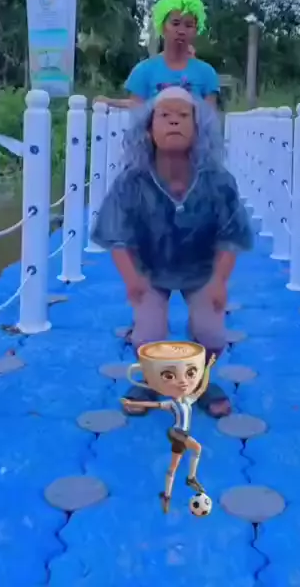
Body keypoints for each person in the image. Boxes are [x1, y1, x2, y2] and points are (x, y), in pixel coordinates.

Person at [91, 86, 253, 418]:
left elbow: (231, 236)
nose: (174, 122)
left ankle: (201, 380)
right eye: (165, 116)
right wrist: (132, 280)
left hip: (201, 269)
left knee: (212, 335)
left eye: (183, 116)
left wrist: (219, 281)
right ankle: (152, 380)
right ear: (148, 129)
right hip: (150, 269)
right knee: (147, 335)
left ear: (199, 128)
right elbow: (116, 236)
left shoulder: (219, 182)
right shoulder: (131, 182)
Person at [121, 349, 216, 513]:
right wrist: (132, 403)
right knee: (197, 448)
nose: (183, 384)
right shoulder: (171, 404)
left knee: (173, 467)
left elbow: (202, 387)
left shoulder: (189, 400)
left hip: (182, 435)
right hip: (176, 433)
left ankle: (167, 495)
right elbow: (153, 405)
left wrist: (208, 367)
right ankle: (190, 478)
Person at [95, 0, 219, 109]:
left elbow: (209, 116)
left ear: (196, 30)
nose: (181, 31)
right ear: (163, 27)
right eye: (175, 23)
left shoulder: (207, 73)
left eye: (188, 25)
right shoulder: (143, 71)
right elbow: (136, 109)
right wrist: (110, 102)